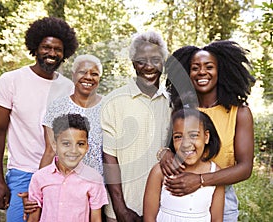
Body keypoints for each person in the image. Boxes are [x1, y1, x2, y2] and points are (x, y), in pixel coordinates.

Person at [0, 17, 78, 222]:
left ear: (65, 53)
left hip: (60, 173)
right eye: (46, 47)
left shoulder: (68, 87)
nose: (52, 53)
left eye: (58, 49)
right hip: (23, 174)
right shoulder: (11, 81)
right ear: (35, 48)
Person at [160, 40, 255, 222]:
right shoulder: (180, 109)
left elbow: (245, 168)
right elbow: (170, 146)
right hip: (178, 192)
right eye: (195, 68)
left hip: (221, 194)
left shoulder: (239, 112)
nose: (202, 72)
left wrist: (200, 180)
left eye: (209, 66)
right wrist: (164, 152)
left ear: (221, 71)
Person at [101, 31, 172, 221]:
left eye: (155, 59)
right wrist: (120, 209)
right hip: (121, 210)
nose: (149, 66)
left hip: (163, 208)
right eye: (141, 60)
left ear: (163, 62)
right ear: (133, 63)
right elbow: (109, 159)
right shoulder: (113, 101)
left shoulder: (172, 104)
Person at [144, 104, 225, 222]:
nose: (186, 144)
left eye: (193, 135)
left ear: (206, 137)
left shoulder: (215, 173)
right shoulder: (160, 172)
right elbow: (149, 218)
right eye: (178, 137)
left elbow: (217, 219)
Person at [27, 113, 108, 222]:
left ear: (87, 147)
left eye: (80, 144)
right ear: (55, 145)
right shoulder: (40, 177)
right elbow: (33, 218)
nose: (73, 150)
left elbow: (96, 219)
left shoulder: (94, 179)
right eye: (66, 143)